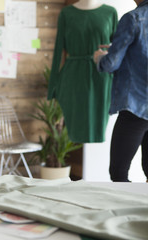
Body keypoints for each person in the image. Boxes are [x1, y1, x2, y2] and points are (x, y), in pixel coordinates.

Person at [94, 0, 148, 182]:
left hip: (136, 106)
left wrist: (100, 58)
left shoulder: (133, 18)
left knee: (118, 172)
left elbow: (111, 64)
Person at [48, 0, 117, 143]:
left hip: (101, 76)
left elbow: (117, 50)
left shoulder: (110, 13)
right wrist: (53, 86)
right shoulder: (66, 14)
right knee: (75, 126)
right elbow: (58, 50)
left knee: (99, 127)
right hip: (73, 77)